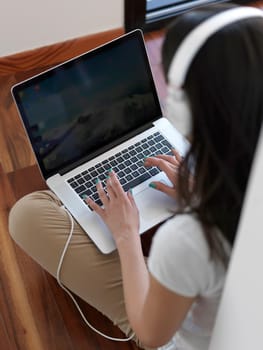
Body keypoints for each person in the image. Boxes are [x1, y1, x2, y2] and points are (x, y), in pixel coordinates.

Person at [8, 3, 263, 350]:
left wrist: (127, 235)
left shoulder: (189, 240)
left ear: (187, 110)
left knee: (26, 215)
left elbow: (151, 334)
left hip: (182, 334)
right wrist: (201, 196)